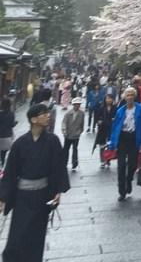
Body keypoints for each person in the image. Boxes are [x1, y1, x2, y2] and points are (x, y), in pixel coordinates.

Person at [0, 102, 70, 262]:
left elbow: (58, 167)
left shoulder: (53, 141)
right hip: (22, 198)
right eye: (43, 114)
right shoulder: (20, 144)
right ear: (33, 119)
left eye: (48, 113)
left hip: (42, 196)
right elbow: (10, 172)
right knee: (17, 236)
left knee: (36, 236)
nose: (48, 116)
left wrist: (57, 192)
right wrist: (3, 197)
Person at [108, 87, 141, 202]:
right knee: (121, 166)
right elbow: (115, 127)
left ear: (134, 96)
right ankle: (122, 191)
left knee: (132, 164)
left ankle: (128, 179)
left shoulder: (140, 109)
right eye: (127, 95)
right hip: (122, 139)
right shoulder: (120, 110)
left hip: (134, 138)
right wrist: (112, 141)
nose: (129, 97)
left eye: (131, 95)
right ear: (124, 97)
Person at [93, 93, 116, 168]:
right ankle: (102, 161)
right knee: (102, 145)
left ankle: (108, 160)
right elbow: (97, 117)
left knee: (109, 145)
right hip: (102, 129)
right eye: (107, 98)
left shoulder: (115, 108)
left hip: (111, 129)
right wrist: (99, 121)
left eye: (110, 98)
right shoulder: (101, 107)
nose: (108, 100)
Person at [61, 97, 85, 171]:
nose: (77, 106)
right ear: (73, 105)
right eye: (76, 104)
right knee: (66, 149)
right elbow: (64, 123)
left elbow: (82, 124)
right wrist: (64, 131)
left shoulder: (81, 114)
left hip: (76, 135)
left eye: (78, 104)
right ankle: (64, 163)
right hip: (68, 134)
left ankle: (74, 164)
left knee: (75, 149)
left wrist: (80, 131)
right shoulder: (68, 114)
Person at [0, 97, 16, 166]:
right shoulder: (11, 114)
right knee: (4, 151)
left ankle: (2, 162)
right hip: (7, 135)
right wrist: (15, 123)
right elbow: (11, 125)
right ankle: (2, 164)